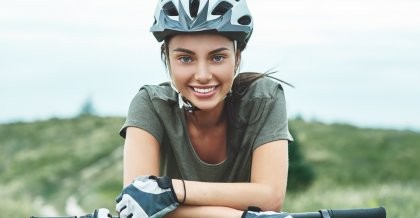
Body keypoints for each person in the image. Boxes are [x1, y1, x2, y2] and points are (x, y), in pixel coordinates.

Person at [115, 0, 294, 217]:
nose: (202, 75)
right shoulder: (151, 105)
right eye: (185, 58)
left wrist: (174, 190)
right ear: (168, 60)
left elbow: (270, 197)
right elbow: (137, 205)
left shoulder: (264, 98)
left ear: (237, 58)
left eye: (217, 57)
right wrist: (241, 216)